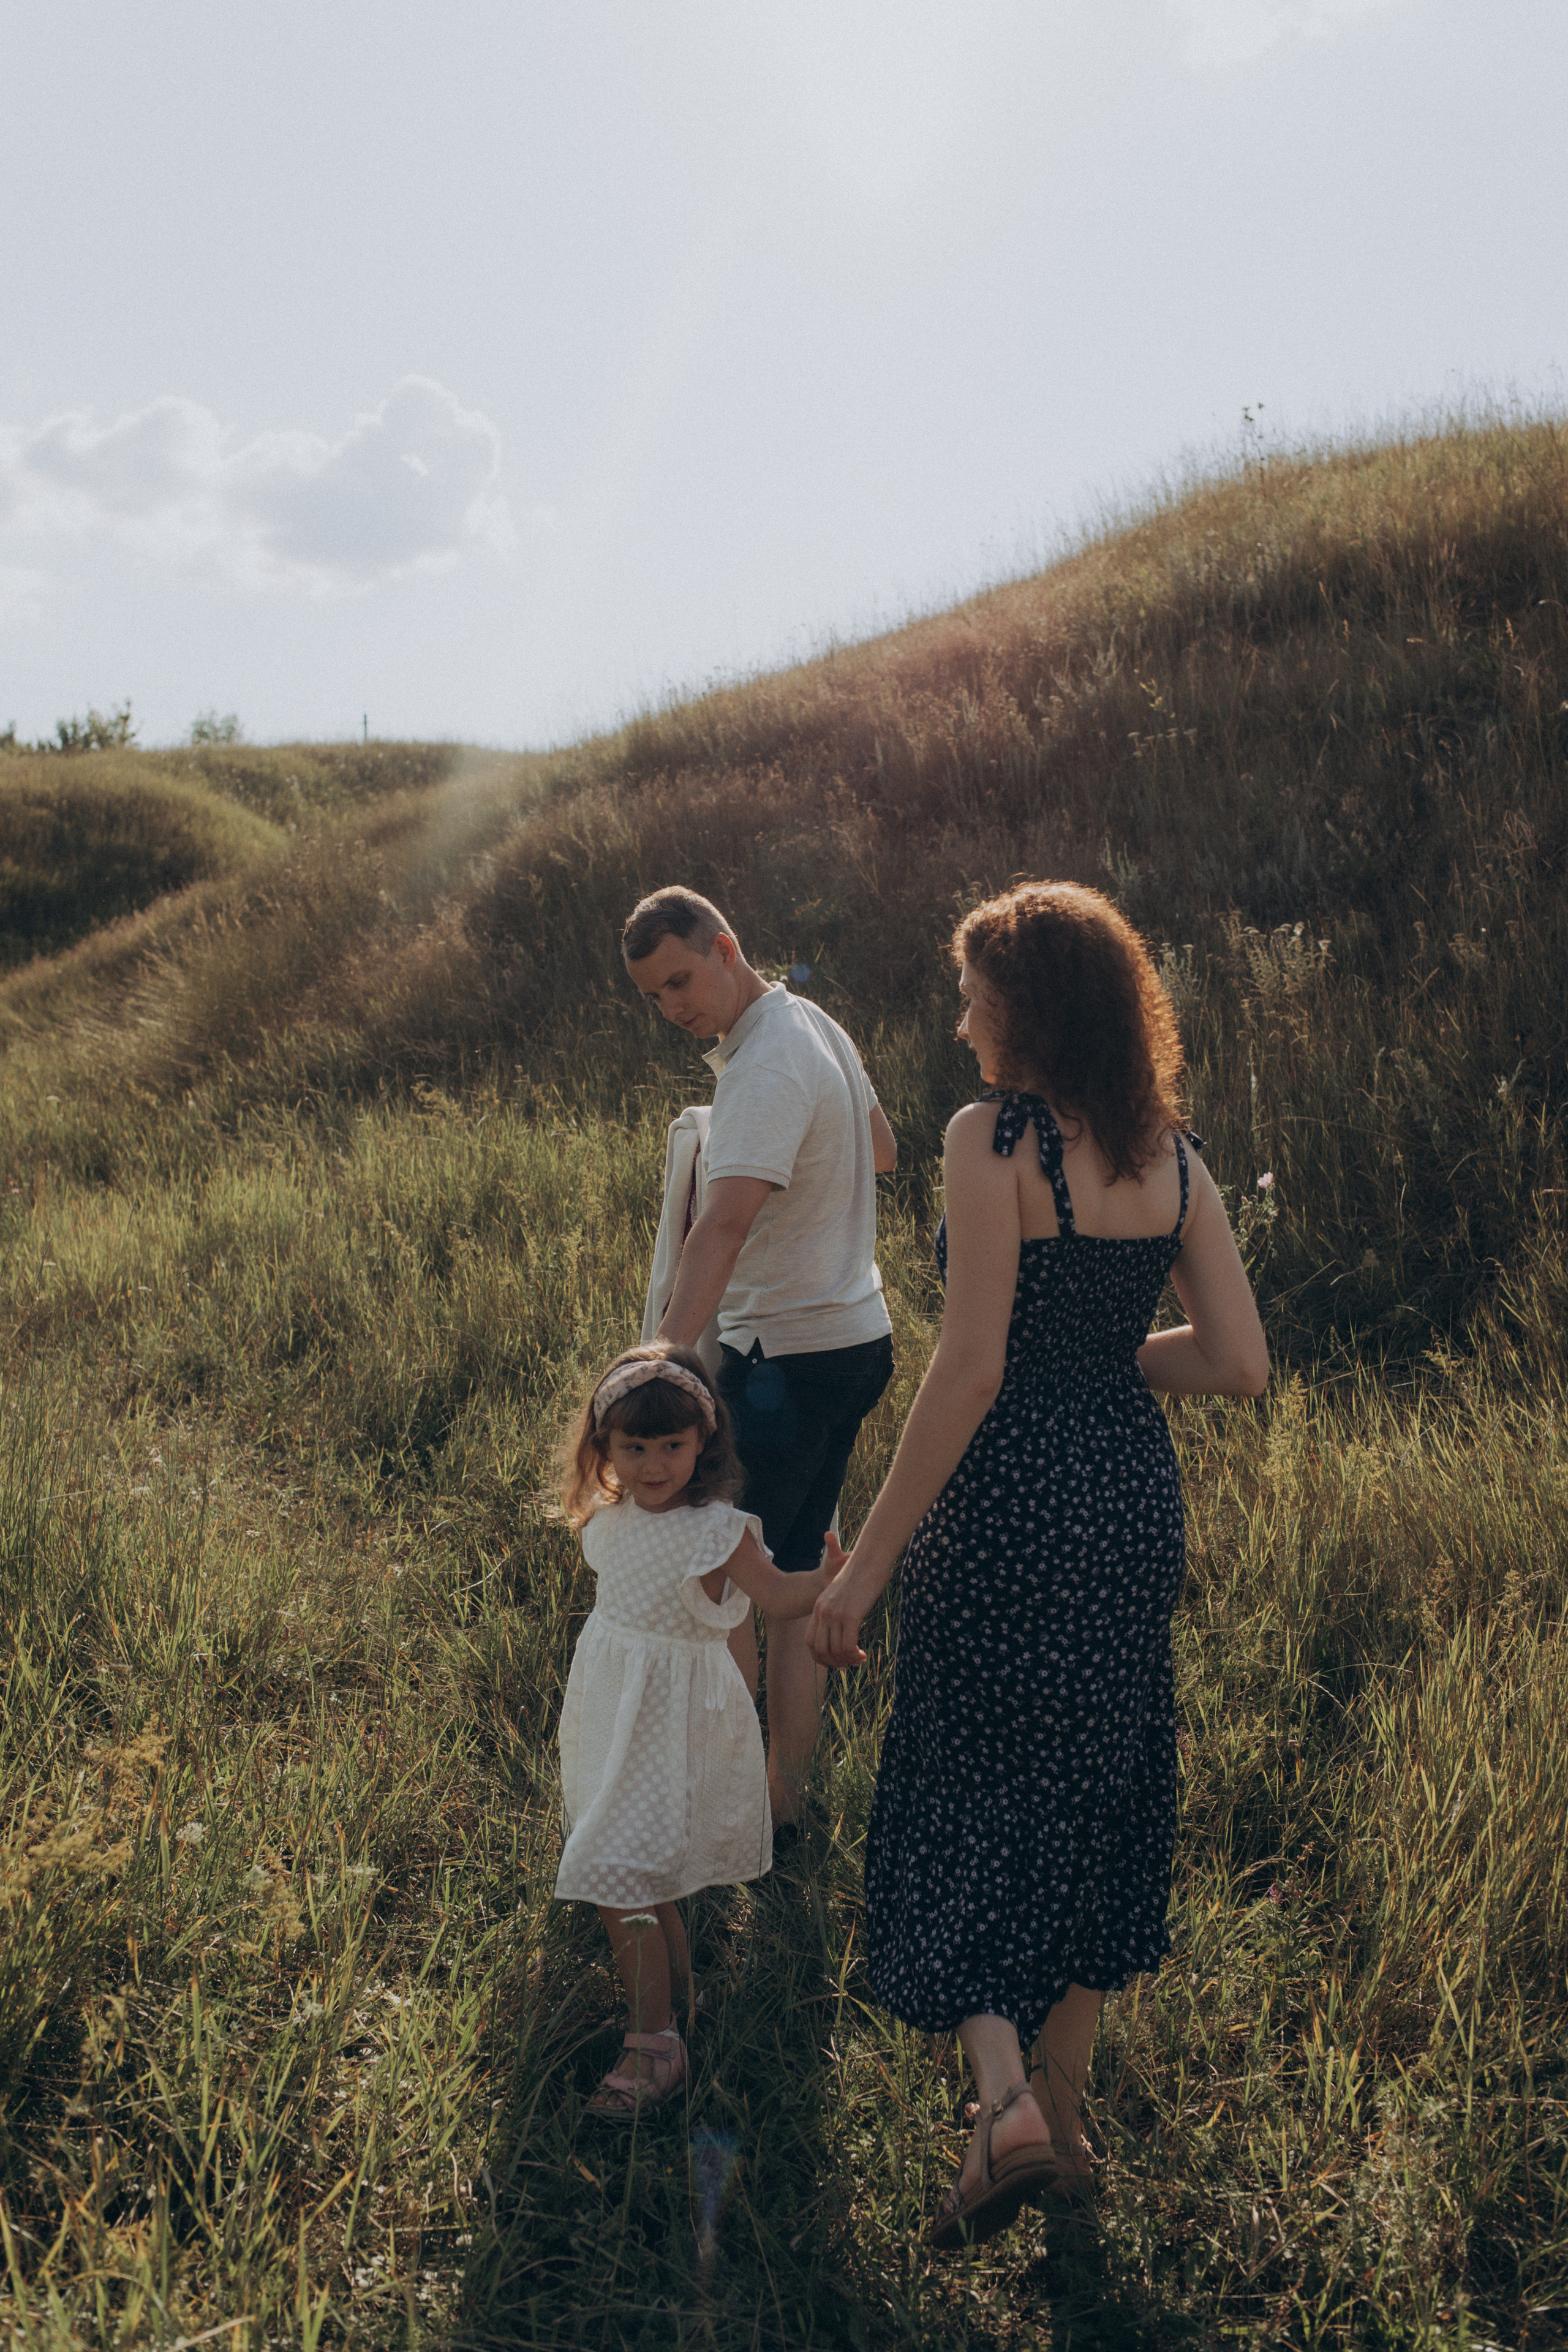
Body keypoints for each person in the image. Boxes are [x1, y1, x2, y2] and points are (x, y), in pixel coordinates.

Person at [808, 881, 1269, 2247]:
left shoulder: (990, 1136)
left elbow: (970, 1365)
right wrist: (1102, 1360)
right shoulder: (1172, 1157)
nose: (958, 1022)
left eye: (974, 996)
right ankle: (1055, 2140)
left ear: (1029, 1007)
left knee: (963, 1781)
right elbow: (1238, 1364)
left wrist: (857, 1574)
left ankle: (1001, 2102)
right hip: (1127, 1499)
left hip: (1004, 1497)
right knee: (1091, 1789)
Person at [621, 887, 896, 1834]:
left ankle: (739, 1804)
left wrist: (661, 1365)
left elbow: (725, 1224)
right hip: (854, 1340)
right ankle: (783, 1802)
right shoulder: (813, 1022)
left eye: (682, 981)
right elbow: (884, 1149)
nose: (672, 1009)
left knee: (726, 1577)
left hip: (785, 1354)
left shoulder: (765, 1066)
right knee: (784, 1570)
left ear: (727, 948)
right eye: (655, 997)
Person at [552, 1342, 835, 2115]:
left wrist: (837, 1580)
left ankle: (653, 2046)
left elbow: (778, 1599)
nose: (652, 1465)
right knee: (640, 1872)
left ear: (703, 1442)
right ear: (603, 1447)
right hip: (615, 1718)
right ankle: (674, 2010)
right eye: (633, 1447)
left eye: (671, 1446)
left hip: (674, 1725)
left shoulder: (719, 1530)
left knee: (619, 1874)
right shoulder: (608, 1523)